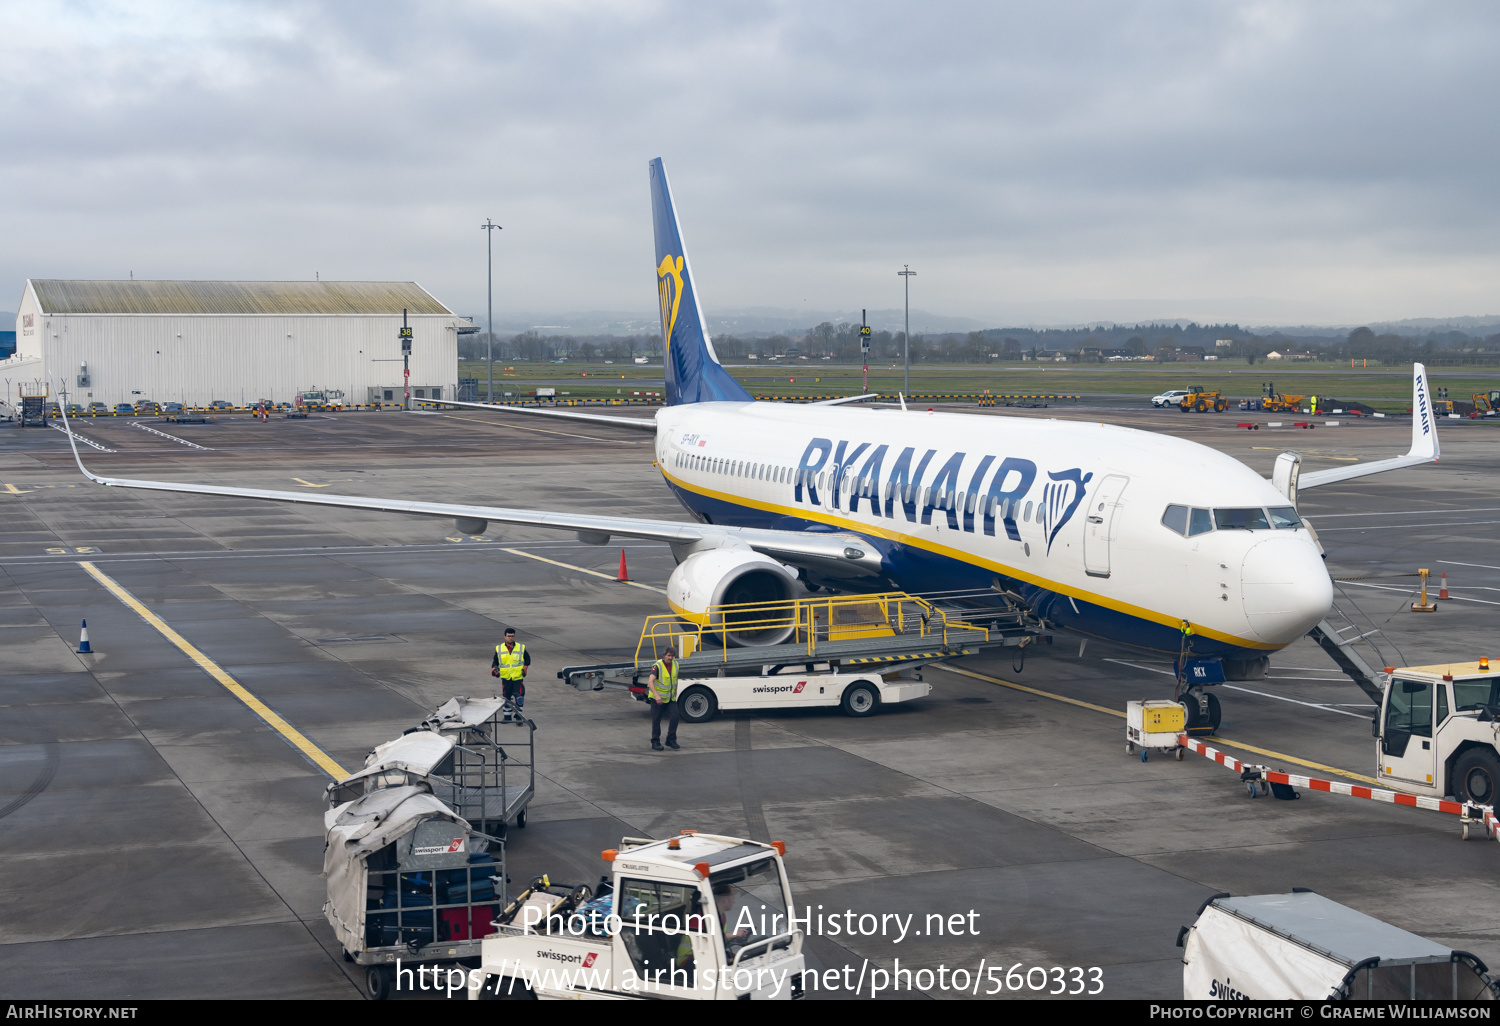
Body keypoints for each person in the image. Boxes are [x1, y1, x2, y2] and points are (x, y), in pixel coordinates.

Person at [491, 627, 530, 722]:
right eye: (508, 636)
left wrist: (525, 667)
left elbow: (528, 659)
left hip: (518, 677)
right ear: (505, 637)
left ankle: (518, 716)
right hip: (506, 677)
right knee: (506, 697)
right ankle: (507, 717)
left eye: (512, 636)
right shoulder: (499, 648)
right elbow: (495, 661)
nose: (510, 638)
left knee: (520, 697)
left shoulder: (521, 647)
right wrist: (494, 668)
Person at [647, 647, 680, 751]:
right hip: (657, 699)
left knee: (675, 716)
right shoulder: (658, 666)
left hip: (670, 698)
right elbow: (650, 681)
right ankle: (655, 741)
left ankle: (671, 739)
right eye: (668, 655)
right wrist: (656, 695)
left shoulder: (675, 664)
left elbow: (675, 679)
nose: (670, 658)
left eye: (672, 656)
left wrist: (675, 692)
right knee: (656, 720)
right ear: (664, 655)